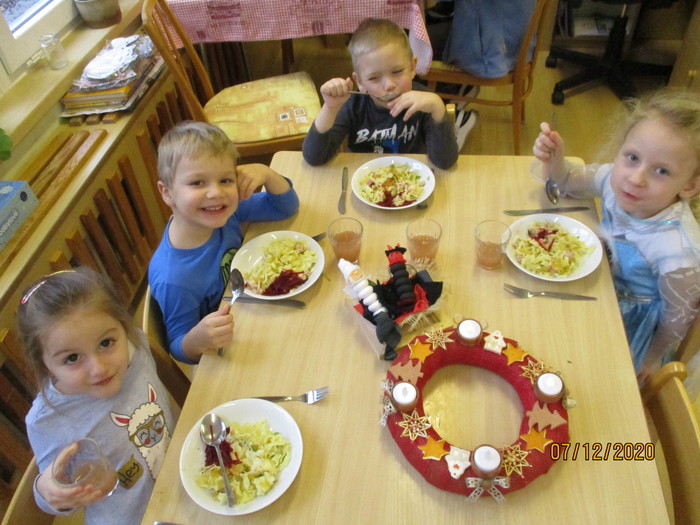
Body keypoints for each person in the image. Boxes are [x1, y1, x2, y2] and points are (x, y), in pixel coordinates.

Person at [532, 88, 700, 384]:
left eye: (662, 171)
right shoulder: (614, 179)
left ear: (689, 185)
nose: (636, 178)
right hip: (600, 284)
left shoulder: (678, 253)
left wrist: (650, 358)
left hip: (631, 324)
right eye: (632, 157)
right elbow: (567, 181)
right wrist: (555, 158)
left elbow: (676, 320)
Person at [16, 268, 176, 525]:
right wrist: (49, 489)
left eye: (106, 343)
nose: (99, 368)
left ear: (123, 327)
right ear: (45, 364)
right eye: (72, 358)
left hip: (178, 485)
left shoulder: (136, 350)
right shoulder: (47, 420)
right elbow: (52, 490)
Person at [149, 121, 299, 364]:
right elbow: (178, 347)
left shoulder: (223, 212)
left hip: (258, 312)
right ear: (167, 193)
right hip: (233, 350)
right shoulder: (174, 278)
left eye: (226, 180)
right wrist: (197, 339)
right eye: (197, 183)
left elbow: (285, 208)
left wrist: (267, 173)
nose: (216, 193)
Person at [302, 18, 458, 169]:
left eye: (397, 71)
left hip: (411, 176)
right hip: (364, 177)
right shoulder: (353, 105)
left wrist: (438, 107)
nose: (389, 85)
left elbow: (445, 162)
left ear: (412, 68)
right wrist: (330, 109)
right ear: (360, 82)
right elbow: (315, 158)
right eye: (374, 78)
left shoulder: (424, 104)